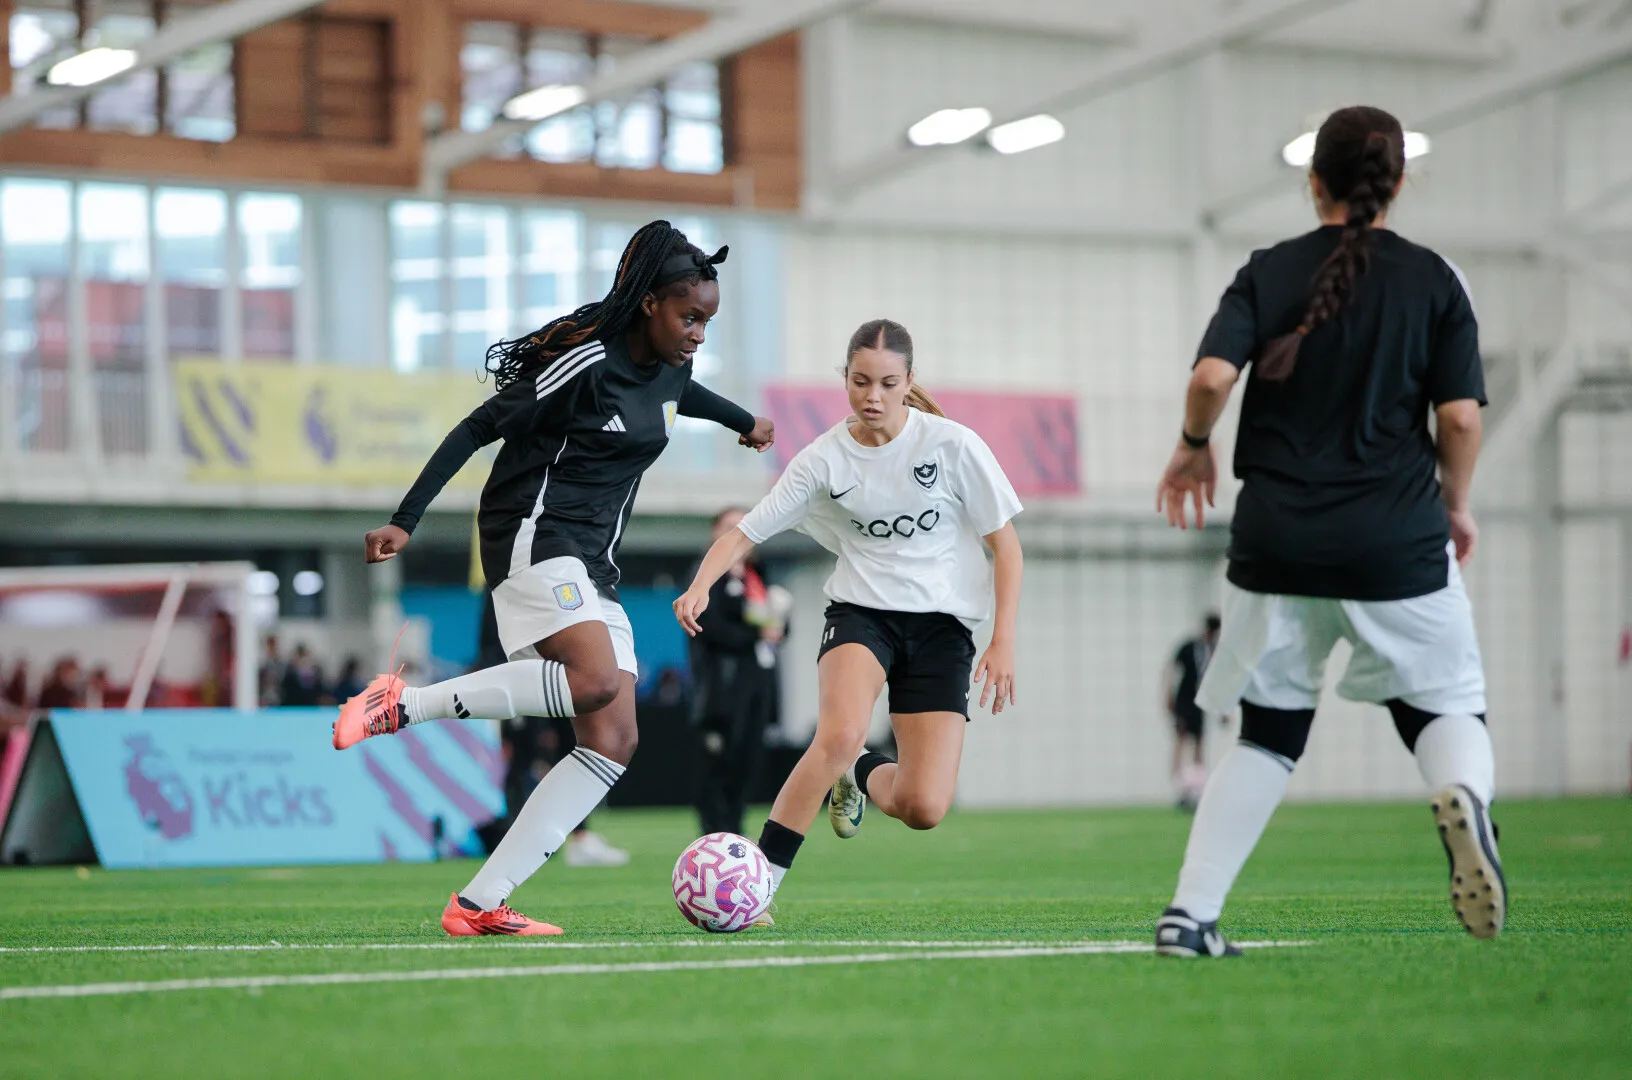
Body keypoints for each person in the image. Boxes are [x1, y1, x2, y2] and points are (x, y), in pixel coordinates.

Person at [334, 221, 774, 936]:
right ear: (649, 305)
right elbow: (477, 428)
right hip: (530, 533)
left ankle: (478, 903)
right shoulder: (587, 365)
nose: (699, 333)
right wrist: (404, 521)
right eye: (690, 316)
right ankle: (401, 704)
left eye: (707, 321)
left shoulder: (672, 369)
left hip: (594, 559)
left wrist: (742, 420)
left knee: (614, 736)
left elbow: (675, 398)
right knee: (596, 680)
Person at [1151, 106, 1501, 958]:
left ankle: (1189, 917)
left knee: (1268, 734)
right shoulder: (1435, 280)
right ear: (1398, 184)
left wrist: (1193, 447)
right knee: (1447, 705)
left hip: (1276, 545)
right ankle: (1460, 793)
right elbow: (1458, 418)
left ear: (1314, 184)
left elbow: (1208, 377)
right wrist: (1456, 503)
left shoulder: (1268, 271)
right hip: (1397, 541)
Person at [675, 319, 1024, 924]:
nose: (873, 396)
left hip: (943, 629)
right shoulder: (824, 459)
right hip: (862, 614)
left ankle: (858, 769)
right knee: (834, 735)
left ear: (910, 380)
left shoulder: (953, 446)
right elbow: (744, 531)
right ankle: (761, 886)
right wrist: (701, 584)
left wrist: (1004, 640)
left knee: (923, 806)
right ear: (845, 379)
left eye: (889, 383)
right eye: (861, 381)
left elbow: (1008, 547)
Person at [688, 507, 789, 838]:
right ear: (714, 533)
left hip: (757, 681)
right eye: (729, 526)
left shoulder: (758, 575)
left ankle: (735, 828)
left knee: (749, 758)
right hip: (722, 685)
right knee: (719, 760)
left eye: (743, 525)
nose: (738, 532)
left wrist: (778, 626)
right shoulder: (706, 577)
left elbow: (777, 624)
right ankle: (713, 831)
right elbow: (709, 626)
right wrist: (755, 632)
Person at [1163, 612, 1221, 810]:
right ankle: (1180, 788)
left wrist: (1223, 709)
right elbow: (1171, 669)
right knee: (1180, 743)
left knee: (1198, 746)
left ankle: (1197, 789)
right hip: (1184, 702)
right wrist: (1167, 695)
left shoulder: (1213, 650)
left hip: (1200, 704)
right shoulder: (1189, 647)